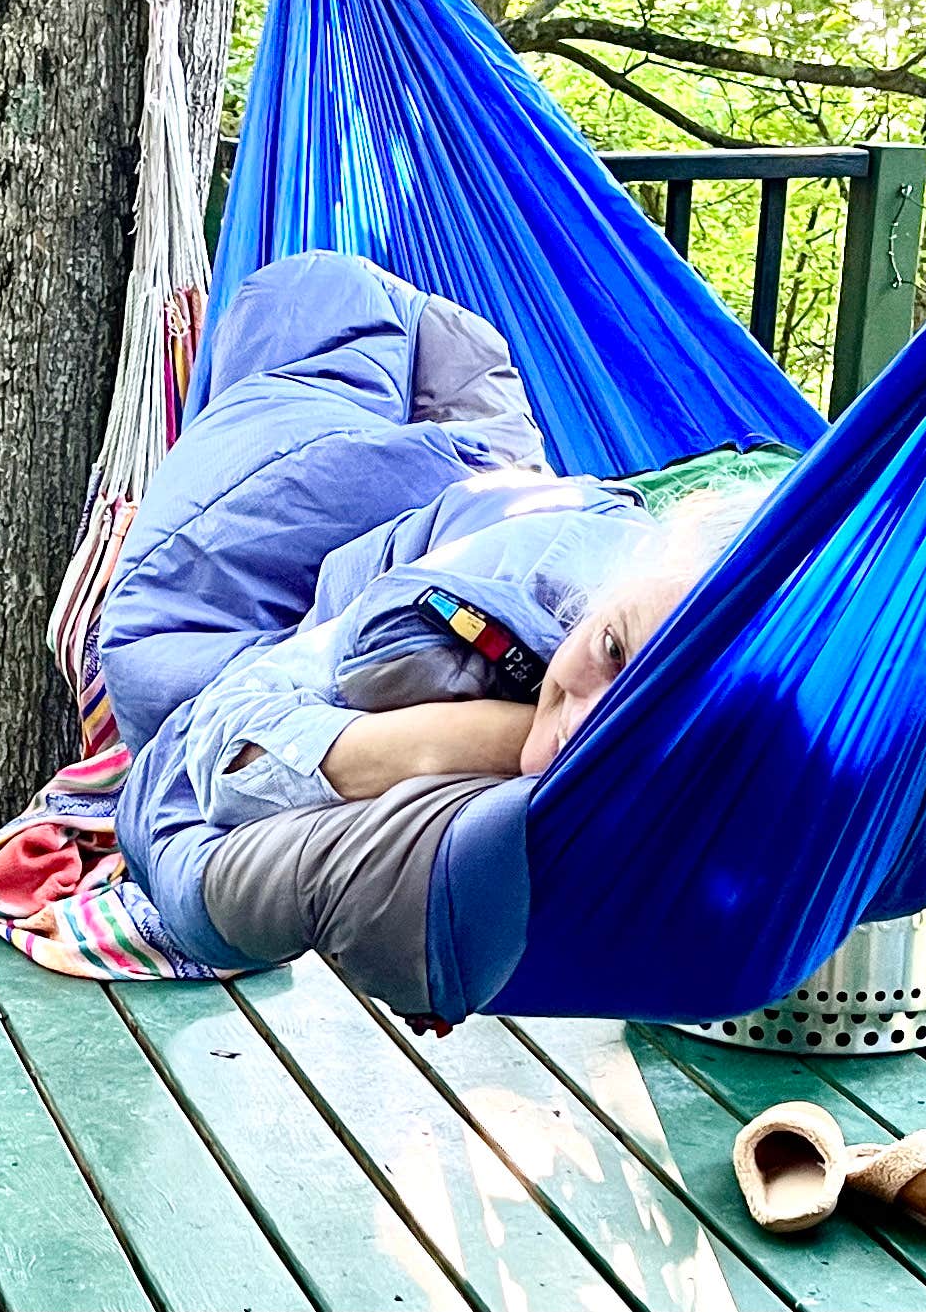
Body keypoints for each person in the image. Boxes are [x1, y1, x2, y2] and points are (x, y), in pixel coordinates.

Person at [99, 251, 775, 991]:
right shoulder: (523, 563)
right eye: (610, 650)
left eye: (636, 707)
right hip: (352, 511)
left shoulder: (672, 616)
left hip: (436, 476)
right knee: (416, 434)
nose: (584, 724)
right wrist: (492, 735)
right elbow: (223, 751)